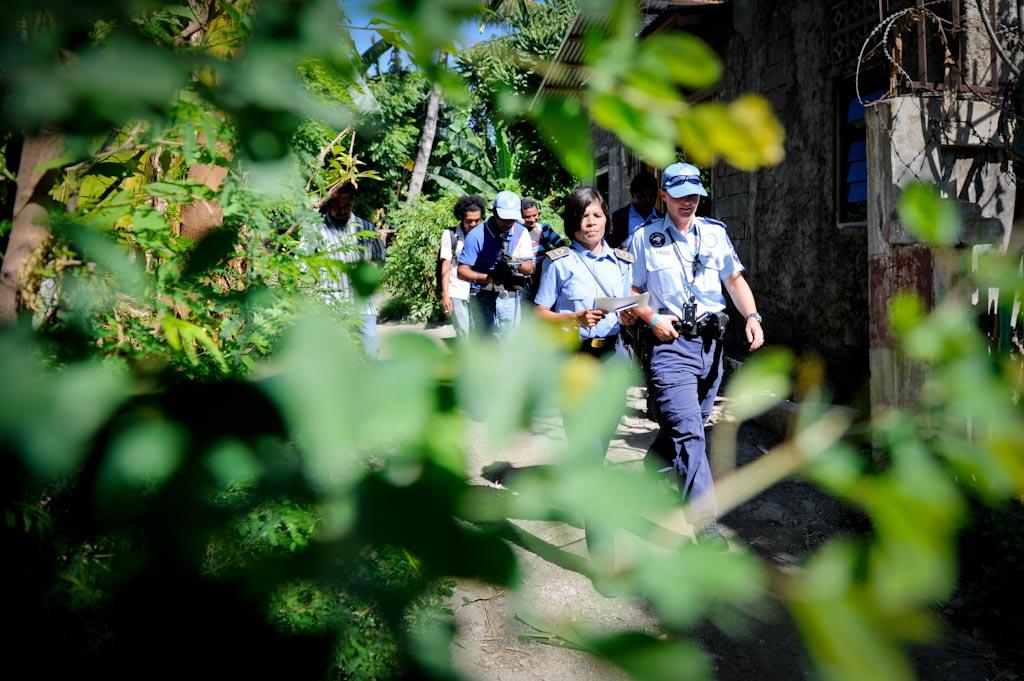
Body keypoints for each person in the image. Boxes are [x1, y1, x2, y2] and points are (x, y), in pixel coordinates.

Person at [629, 162, 764, 548]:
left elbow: (734, 280)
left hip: (710, 347)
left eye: (694, 194)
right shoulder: (645, 238)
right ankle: (705, 526)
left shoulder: (715, 234)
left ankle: (654, 466)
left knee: (691, 423)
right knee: (691, 435)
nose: (688, 201)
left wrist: (752, 317)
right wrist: (651, 318)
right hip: (669, 345)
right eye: (680, 194)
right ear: (664, 195)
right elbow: (633, 293)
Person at [533, 186, 637, 587]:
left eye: (595, 215)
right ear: (571, 223)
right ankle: (604, 559)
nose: (590, 223)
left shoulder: (622, 261)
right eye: (582, 217)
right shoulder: (558, 262)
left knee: (601, 446)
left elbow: (629, 304)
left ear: (606, 217)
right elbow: (541, 314)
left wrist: (630, 317)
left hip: (614, 361)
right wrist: (574, 318)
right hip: (574, 364)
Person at [314, 182, 387, 357]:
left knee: (370, 352)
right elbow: (301, 264)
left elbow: (380, 258)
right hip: (329, 304)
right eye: (336, 206)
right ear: (328, 204)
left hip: (362, 305)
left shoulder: (366, 228)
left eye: (346, 206)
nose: (341, 210)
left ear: (352, 203)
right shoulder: (316, 230)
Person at [457, 191, 535, 339]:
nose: (508, 223)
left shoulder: (521, 232)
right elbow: (462, 271)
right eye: (504, 218)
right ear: (494, 213)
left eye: (512, 219)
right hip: (482, 298)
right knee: (486, 346)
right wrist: (488, 278)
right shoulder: (476, 235)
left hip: (509, 298)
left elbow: (529, 268)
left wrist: (513, 261)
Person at [439, 195, 486, 340]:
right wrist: (446, 294)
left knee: (480, 332)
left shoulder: (486, 234)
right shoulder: (450, 235)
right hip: (457, 290)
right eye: (469, 221)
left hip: (480, 292)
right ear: (461, 218)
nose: (473, 224)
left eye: (477, 220)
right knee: (463, 333)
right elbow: (446, 264)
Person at [521, 197, 567, 301]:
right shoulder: (515, 232)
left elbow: (564, 249)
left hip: (544, 276)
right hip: (522, 280)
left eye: (535, 215)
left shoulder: (545, 229)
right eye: (527, 217)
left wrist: (547, 258)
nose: (532, 220)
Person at [608, 171, 661, 250]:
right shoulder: (617, 218)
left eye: (651, 196)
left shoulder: (663, 219)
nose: (647, 200)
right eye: (641, 197)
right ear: (633, 195)